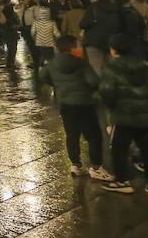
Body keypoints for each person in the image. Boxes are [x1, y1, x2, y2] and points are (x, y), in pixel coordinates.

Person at [98, 33, 148, 198]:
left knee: (119, 149)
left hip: (122, 115)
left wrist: (113, 107)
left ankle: (122, 181)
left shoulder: (111, 67)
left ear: (113, 50)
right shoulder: (145, 66)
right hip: (146, 115)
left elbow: (107, 91)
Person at [38, 34, 110, 181]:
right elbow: (93, 81)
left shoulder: (52, 63)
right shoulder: (81, 63)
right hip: (84, 104)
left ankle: (76, 165)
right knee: (94, 136)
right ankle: (96, 167)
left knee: (72, 135)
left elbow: (43, 75)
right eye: (77, 46)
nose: (80, 48)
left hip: (65, 104)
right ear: (71, 49)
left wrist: (58, 86)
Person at [31, 0, 60, 66]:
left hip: (39, 42)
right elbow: (56, 33)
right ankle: (50, 68)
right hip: (50, 42)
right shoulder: (52, 23)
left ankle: (41, 67)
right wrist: (60, 38)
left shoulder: (36, 22)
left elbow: (32, 32)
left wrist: (34, 38)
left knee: (42, 54)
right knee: (50, 56)